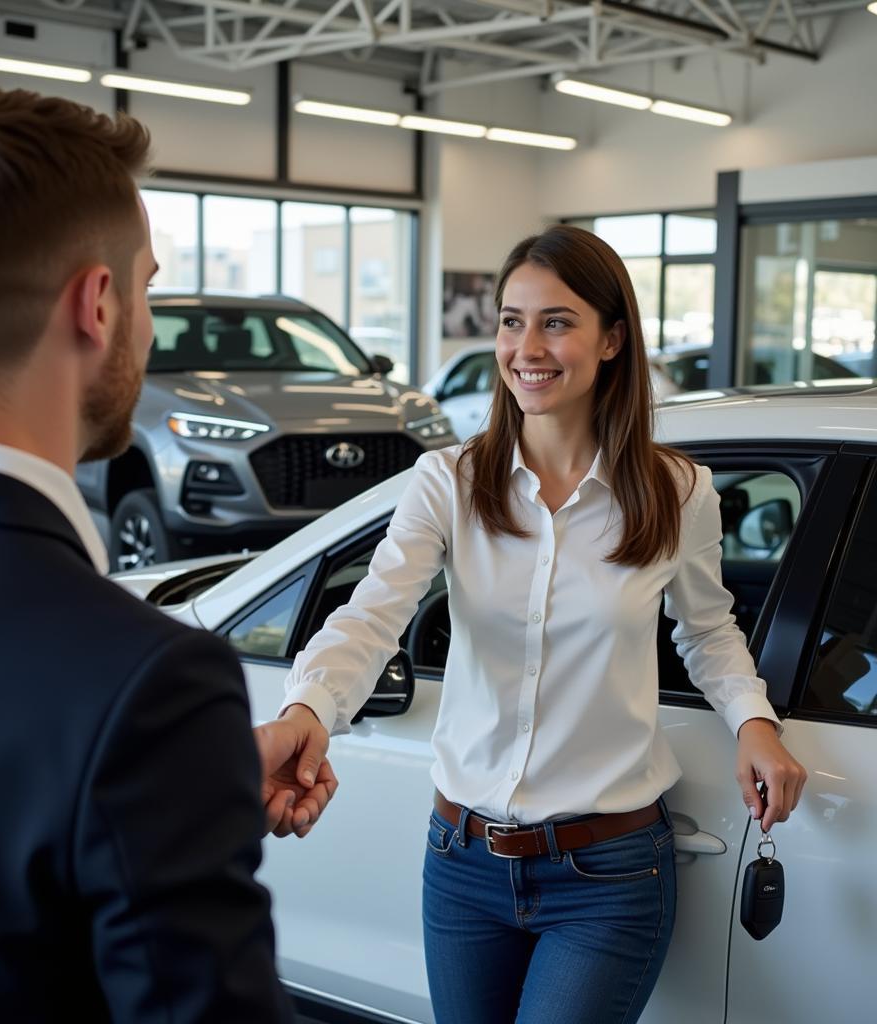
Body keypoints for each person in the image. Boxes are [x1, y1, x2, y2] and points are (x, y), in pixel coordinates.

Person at [0, 88, 333, 1021]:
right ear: (99, 304)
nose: (148, 321)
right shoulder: (147, 679)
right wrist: (163, 760)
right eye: (148, 285)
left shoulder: (129, 707)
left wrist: (191, 785)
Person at [274, 226, 808, 1023]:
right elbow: (373, 613)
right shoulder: (445, 483)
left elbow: (707, 630)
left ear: (612, 338)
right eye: (511, 320)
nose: (528, 347)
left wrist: (754, 722)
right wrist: (306, 709)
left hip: (611, 875)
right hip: (460, 865)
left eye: (556, 321)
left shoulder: (677, 491)